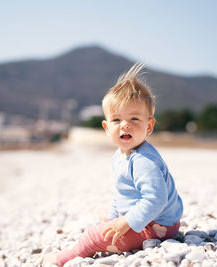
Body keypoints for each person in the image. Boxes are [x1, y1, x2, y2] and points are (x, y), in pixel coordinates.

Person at [42, 63, 183, 266]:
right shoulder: (120, 155)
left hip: (157, 225)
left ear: (149, 126)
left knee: (93, 236)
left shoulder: (144, 161)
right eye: (117, 119)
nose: (125, 125)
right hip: (150, 218)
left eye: (134, 118)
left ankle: (62, 259)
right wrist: (115, 216)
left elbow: (156, 199)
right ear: (107, 128)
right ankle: (114, 216)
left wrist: (125, 222)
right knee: (109, 214)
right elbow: (122, 191)